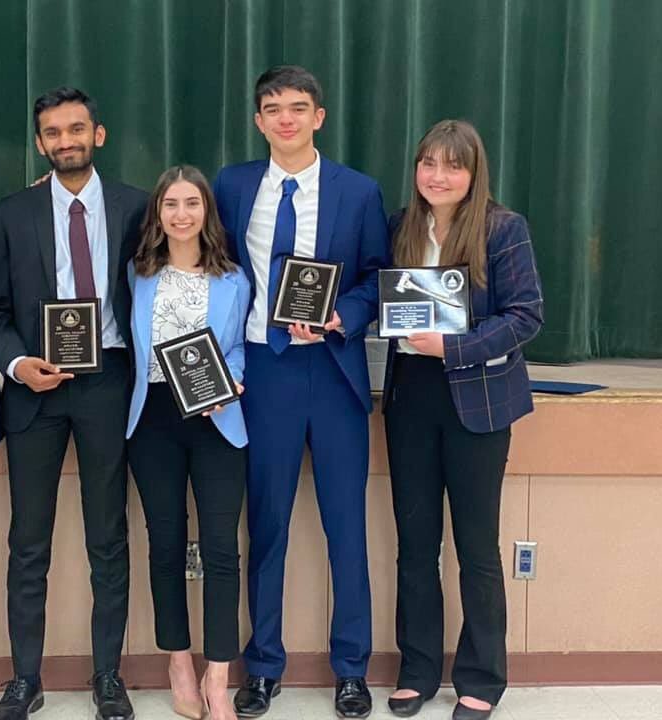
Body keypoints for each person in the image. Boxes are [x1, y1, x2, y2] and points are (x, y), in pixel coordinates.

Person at [213, 65, 390, 719]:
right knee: (267, 525)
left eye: (297, 107)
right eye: (272, 109)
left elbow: (376, 276)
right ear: (259, 121)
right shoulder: (231, 185)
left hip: (335, 372)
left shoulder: (358, 191)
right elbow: (211, 268)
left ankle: (351, 669)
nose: (285, 118)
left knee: (346, 527)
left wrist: (345, 313)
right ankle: (262, 666)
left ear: (319, 116)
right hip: (263, 372)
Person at [0, 87, 147, 720]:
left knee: (107, 535)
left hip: (108, 383)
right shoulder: (11, 213)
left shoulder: (139, 207)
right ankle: (26, 677)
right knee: (29, 540)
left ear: (97, 135)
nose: (66, 139)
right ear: (40, 142)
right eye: (53, 131)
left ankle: (108, 675)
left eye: (77, 128)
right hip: (36, 390)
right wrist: (20, 364)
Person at [382, 119, 543, 720]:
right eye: (428, 164)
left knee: (476, 546)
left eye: (452, 166)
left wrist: (452, 347)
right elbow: (382, 301)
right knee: (415, 545)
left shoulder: (503, 229)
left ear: (473, 172)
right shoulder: (400, 225)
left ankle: (481, 678)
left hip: (477, 398)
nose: (438, 176)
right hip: (410, 400)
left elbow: (526, 316)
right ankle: (417, 671)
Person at [126, 166, 250, 720]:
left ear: (207, 212)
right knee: (166, 543)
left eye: (191, 204)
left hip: (217, 419)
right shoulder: (136, 274)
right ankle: (178, 660)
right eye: (170, 204)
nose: (181, 215)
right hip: (153, 418)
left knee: (222, 547)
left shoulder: (233, 280)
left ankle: (218, 674)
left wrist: (233, 381)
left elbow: (241, 347)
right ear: (158, 213)